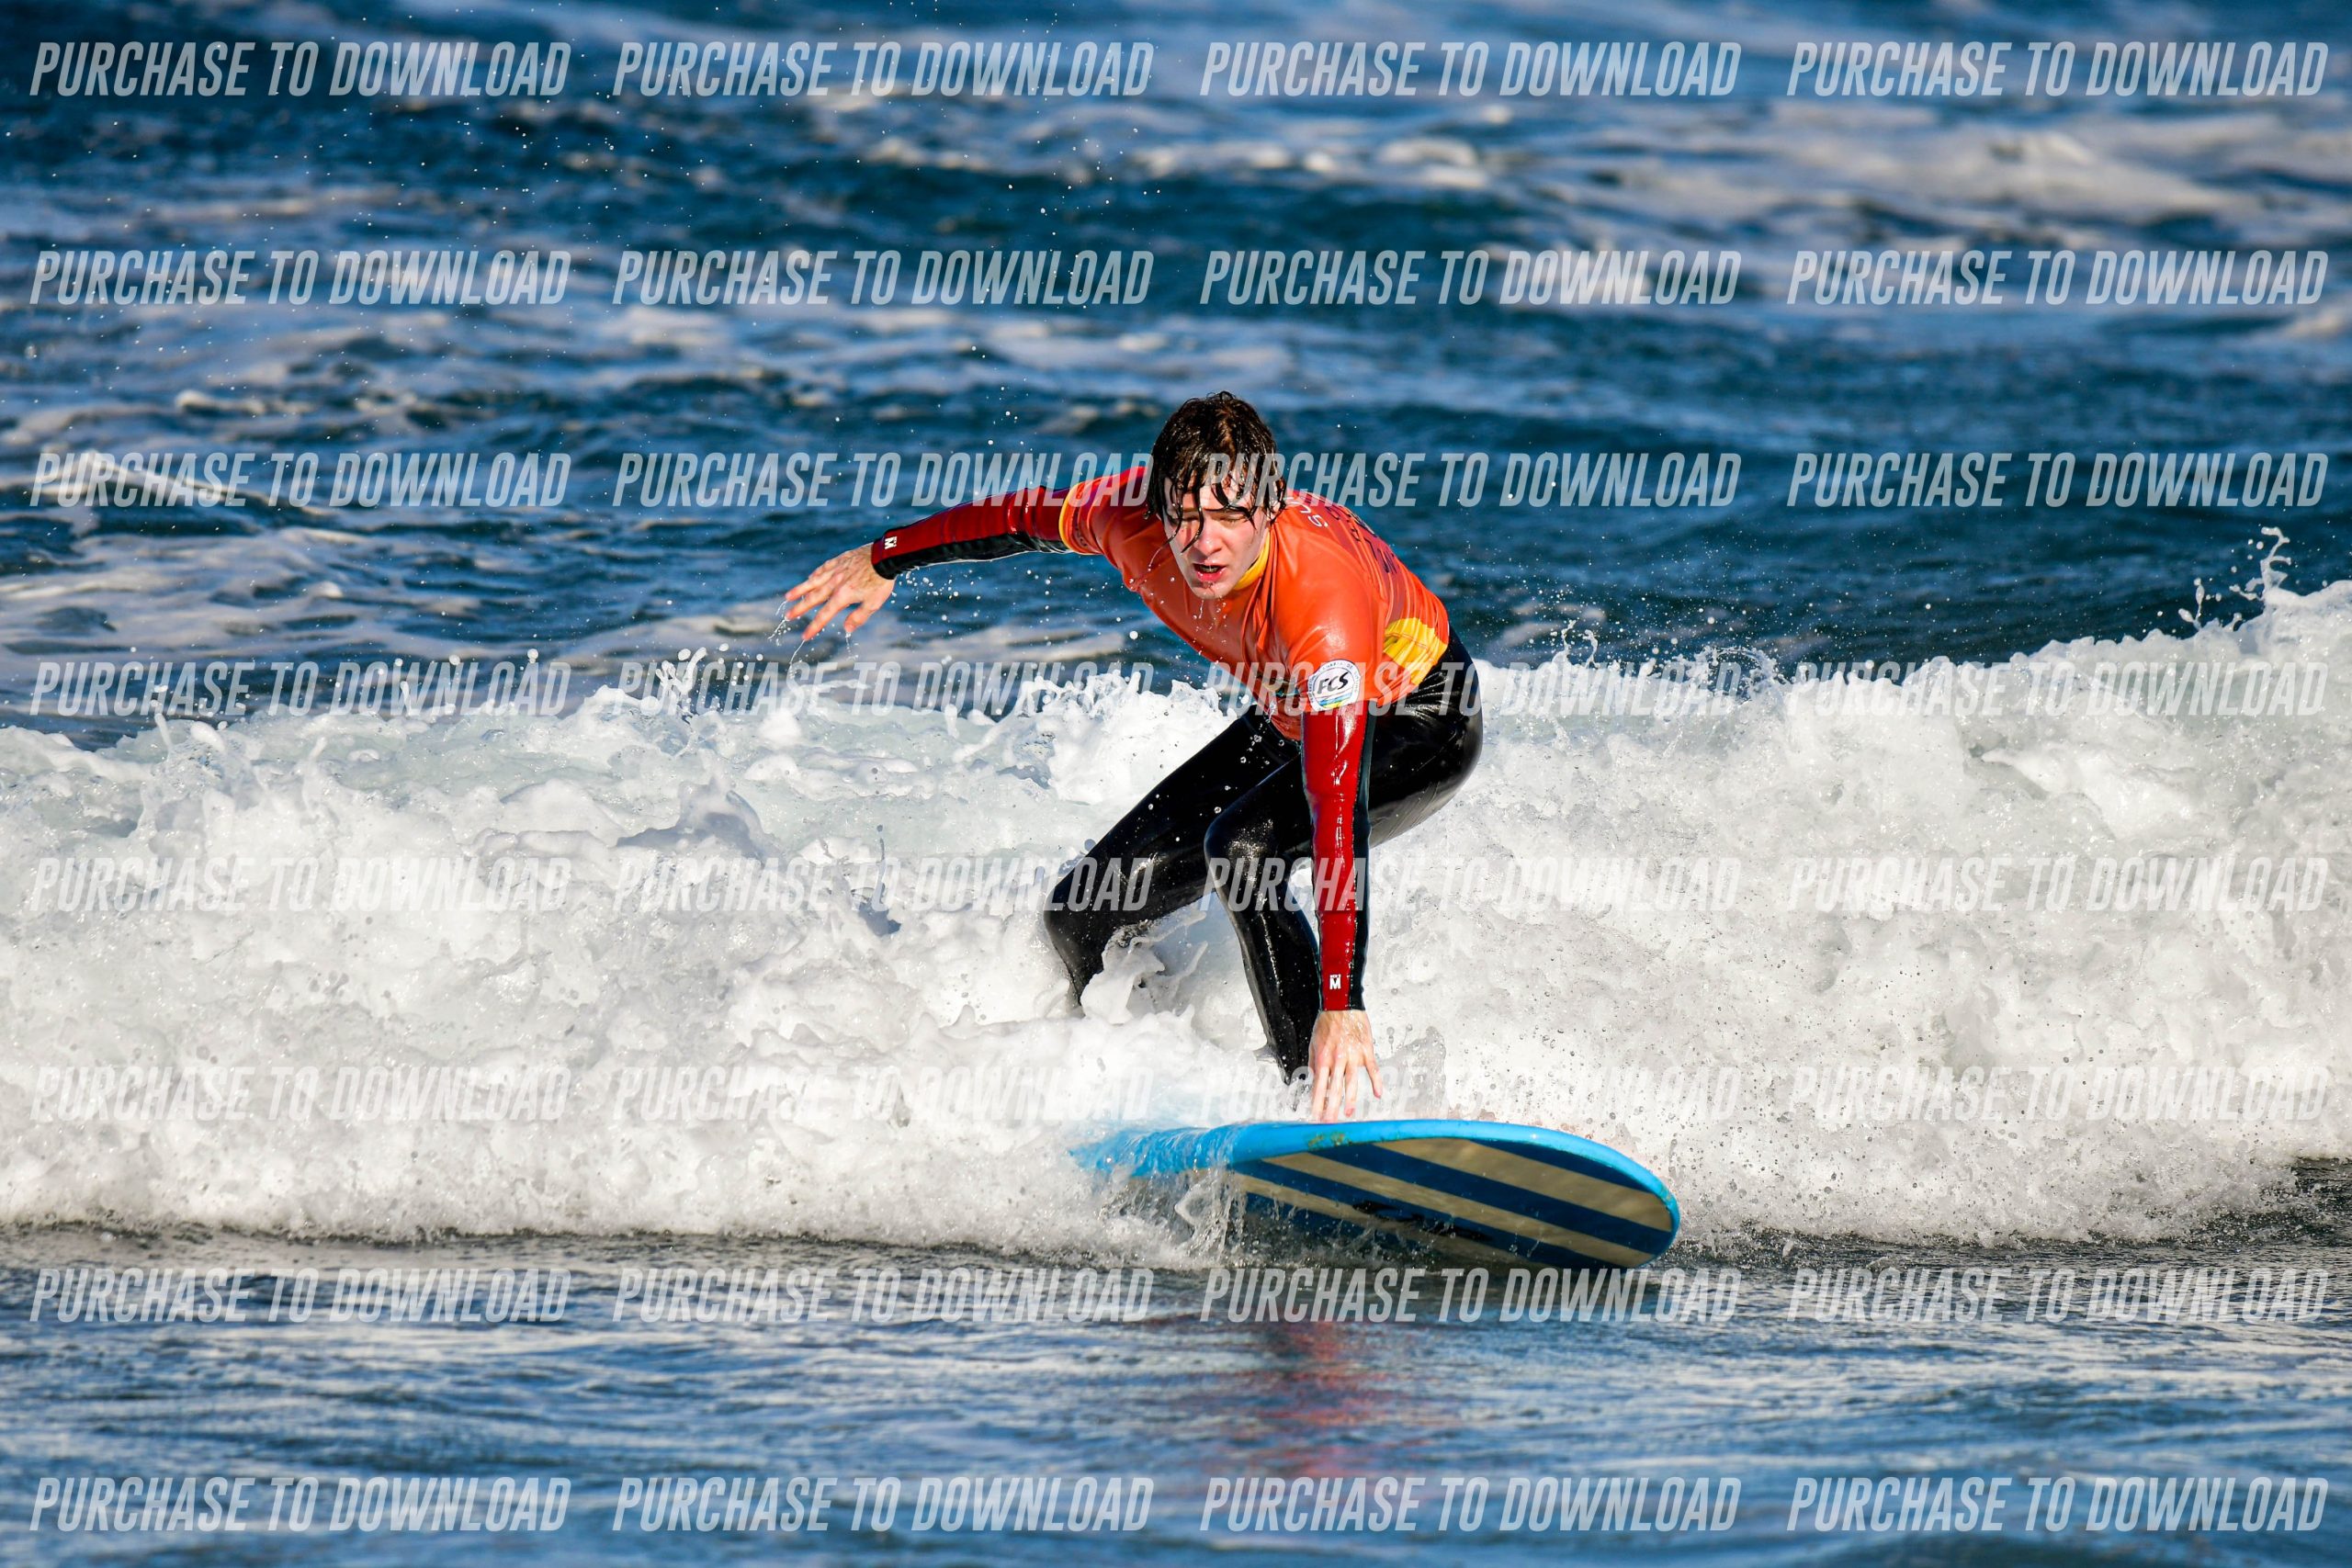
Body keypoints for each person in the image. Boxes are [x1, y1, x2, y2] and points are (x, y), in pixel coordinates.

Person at [783, 393, 1481, 1119]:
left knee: (1243, 849)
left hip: (1418, 712)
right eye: (1185, 515)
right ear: (1158, 505)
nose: (1204, 543)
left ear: (1270, 506)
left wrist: (1342, 1001)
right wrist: (884, 558)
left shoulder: (1320, 604)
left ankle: (1324, 1105)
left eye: (1230, 514)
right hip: (1291, 709)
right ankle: (1149, 1077)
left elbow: (1336, 808)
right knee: (1080, 915)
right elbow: (1017, 518)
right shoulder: (1123, 518)